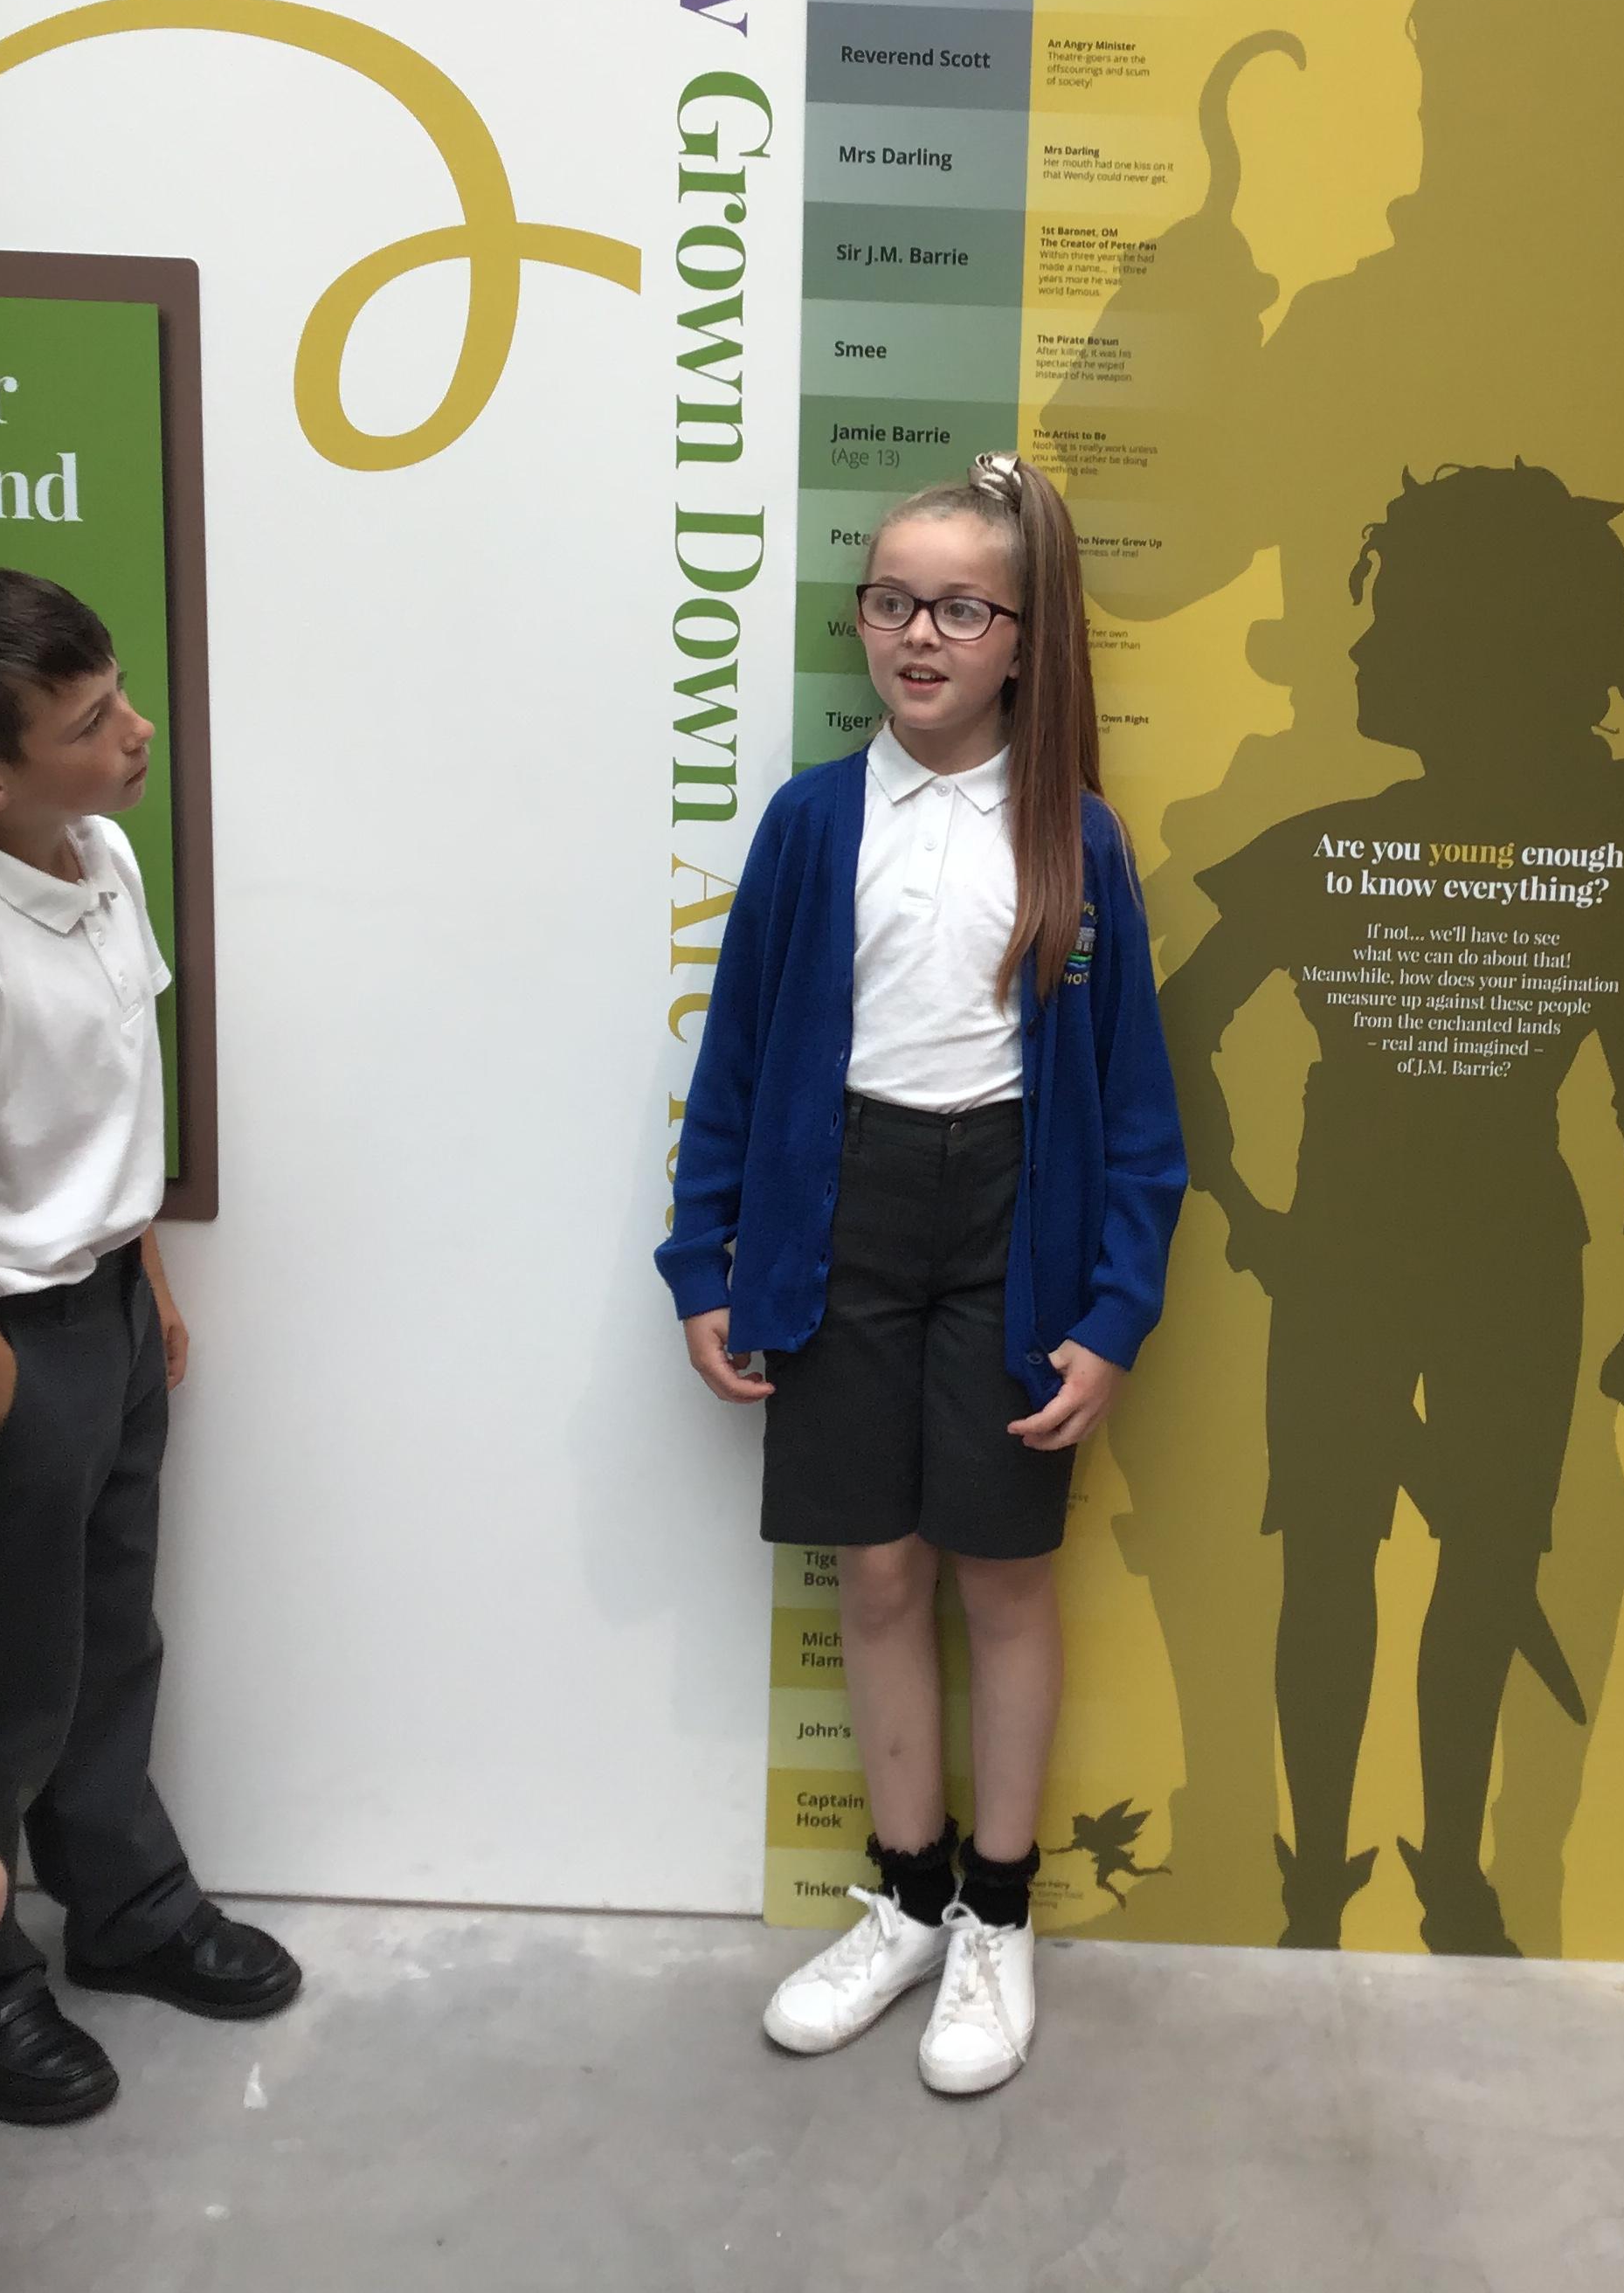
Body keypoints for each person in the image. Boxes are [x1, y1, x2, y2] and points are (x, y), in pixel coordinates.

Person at [660, 453, 1185, 2094]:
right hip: (843, 1223)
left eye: (962, 609)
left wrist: (1114, 1312)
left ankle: (997, 1920)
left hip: (1013, 1234)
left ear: (1024, 639)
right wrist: (703, 1260)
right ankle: (904, 1896)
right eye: (892, 601)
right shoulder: (813, 822)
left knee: (1001, 1578)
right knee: (877, 1572)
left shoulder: (1077, 840)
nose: (919, 634)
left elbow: (1139, 1118)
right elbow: (739, 1061)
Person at [1161, 463, 1624, 1954]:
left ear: (1477, 647)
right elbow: (1180, 1029)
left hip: (1476, 1263)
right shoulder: (1364, 853)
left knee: (1458, 1570)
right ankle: (1340, 1878)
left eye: (1393, 617)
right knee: (1350, 1566)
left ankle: (1434, 1875)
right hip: (1404, 1258)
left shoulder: (1575, 869)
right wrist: (1252, 1211)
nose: (1361, 647)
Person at [0, 570, 300, 2129]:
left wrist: (149, 1276)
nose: (137, 733)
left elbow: (118, 1094)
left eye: (119, 694)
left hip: (105, 1305)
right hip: (10, 1344)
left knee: (111, 1630)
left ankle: (123, 1905)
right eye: (90, 721)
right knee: (9, 1674)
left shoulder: (102, 859)